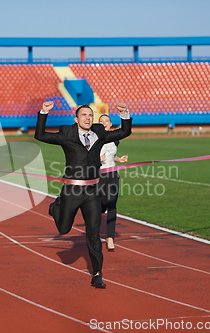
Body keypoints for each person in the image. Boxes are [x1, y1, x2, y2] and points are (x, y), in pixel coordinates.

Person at [35, 101, 131, 288]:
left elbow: (124, 132)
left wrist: (125, 115)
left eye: (90, 115)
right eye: (84, 115)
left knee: (94, 234)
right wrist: (43, 113)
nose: (88, 118)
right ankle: (56, 206)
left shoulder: (100, 134)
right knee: (63, 229)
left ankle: (97, 274)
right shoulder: (67, 133)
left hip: (92, 192)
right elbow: (40, 135)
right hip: (71, 191)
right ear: (76, 119)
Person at [98, 114, 128, 251]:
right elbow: (85, 157)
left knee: (112, 203)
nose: (104, 123)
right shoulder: (94, 139)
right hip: (98, 176)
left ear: (110, 124)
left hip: (112, 175)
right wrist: (97, 159)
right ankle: (95, 234)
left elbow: (111, 154)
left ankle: (110, 237)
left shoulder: (115, 140)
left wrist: (118, 159)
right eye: (101, 121)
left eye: (106, 121)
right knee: (100, 206)